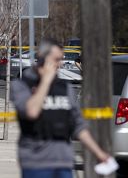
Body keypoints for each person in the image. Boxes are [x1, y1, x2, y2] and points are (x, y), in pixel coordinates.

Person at [11, 39, 109, 178]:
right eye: (56, 59)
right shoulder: (22, 85)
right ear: (42, 58)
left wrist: (99, 153)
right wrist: (45, 81)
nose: (60, 64)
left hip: (63, 161)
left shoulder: (65, 88)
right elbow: (31, 112)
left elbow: (78, 126)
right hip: (36, 162)